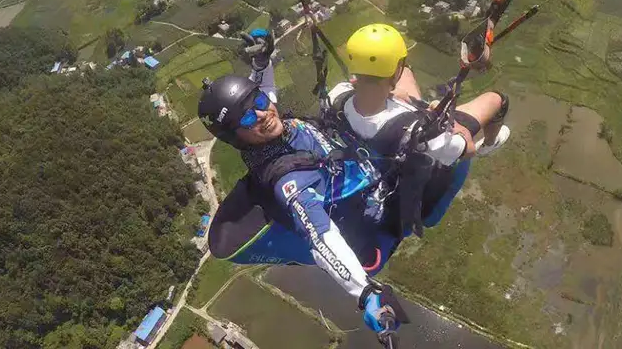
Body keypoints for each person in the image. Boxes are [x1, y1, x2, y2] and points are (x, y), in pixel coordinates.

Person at [199, 28, 406, 340]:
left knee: (399, 76)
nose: (261, 114)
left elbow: (265, 91)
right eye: (245, 119)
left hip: (363, 169)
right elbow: (321, 237)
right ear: (235, 139)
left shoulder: (267, 128)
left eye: (256, 101)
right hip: (385, 216)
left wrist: (261, 63)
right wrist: (364, 292)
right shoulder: (287, 180)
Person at [329, 23, 511, 166]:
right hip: (409, 147)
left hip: (371, 138)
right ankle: (489, 144)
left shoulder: (337, 94)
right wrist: (453, 125)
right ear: (394, 72)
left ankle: (412, 96)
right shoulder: (425, 136)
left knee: (408, 75)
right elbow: (468, 150)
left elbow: (373, 89)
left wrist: (395, 92)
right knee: (497, 100)